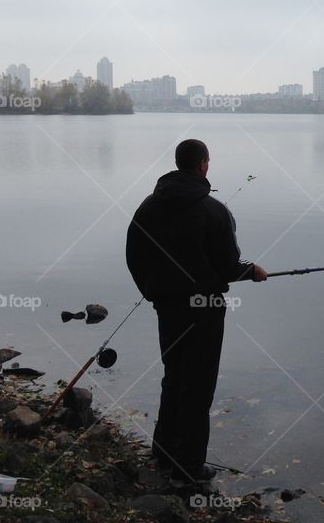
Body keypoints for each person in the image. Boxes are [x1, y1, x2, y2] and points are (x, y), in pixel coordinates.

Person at [126, 139, 267, 484]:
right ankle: (188, 467)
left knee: (174, 376)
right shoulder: (214, 211)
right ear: (203, 165)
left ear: (178, 164)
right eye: (206, 162)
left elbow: (134, 255)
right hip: (204, 310)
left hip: (168, 307)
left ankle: (164, 453)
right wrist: (253, 271)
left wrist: (152, 290)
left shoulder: (148, 207)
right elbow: (228, 267)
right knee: (198, 386)